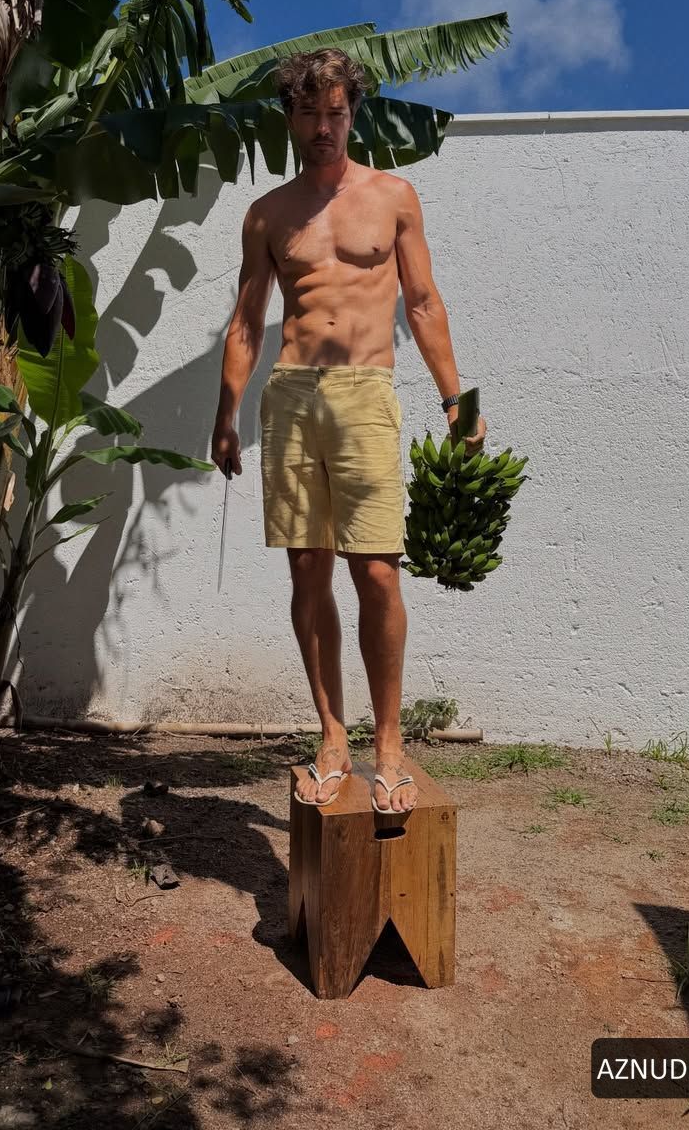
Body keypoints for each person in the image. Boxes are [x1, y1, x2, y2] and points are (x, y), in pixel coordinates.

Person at [211, 48, 486, 813]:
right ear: (290, 118)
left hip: (366, 392)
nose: (323, 127)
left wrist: (458, 401)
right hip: (293, 394)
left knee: (378, 572)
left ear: (352, 113)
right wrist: (225, 414)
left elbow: (423, 304)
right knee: (308, 571)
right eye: (309, 113)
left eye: (335, 113)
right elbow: (246, 321)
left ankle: (388, 746)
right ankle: (332, 736)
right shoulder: (269, 213)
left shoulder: (394, 196)